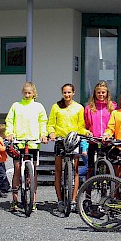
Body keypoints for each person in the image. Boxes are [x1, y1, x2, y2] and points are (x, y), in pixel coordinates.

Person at [47, 83, 90, 213]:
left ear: (73, 93)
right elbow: (50, 124)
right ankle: (60, 200)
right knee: (58, 171)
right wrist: (51, 133)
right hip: (60, 140)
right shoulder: (56, 107)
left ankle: (73, 200)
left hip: (74, 140)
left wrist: (86, 132)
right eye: (65, 92)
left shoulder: (79, 108)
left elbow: (81, 125)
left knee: (75, 171)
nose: (67, 95)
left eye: (69, 92)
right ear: (62, 93)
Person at [5, 82, 48, 212]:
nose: (27, 95)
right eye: (25, 92)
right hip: (19, 142)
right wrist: (10, 133)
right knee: (17, 169)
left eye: (30, 93)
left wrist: (44, 135)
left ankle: (33, 200)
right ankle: (14, 199)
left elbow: (43, 122)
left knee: (33, 170)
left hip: (33, 142)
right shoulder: (16, 106)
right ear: (22, 92)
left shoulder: (38, 107)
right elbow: (9, 121)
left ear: (34, 93)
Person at [84, 81, 117, 178]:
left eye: (103, 92)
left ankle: (110, 189)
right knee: (90, 167)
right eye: (98, 92)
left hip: (108, 141)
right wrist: (88, 133)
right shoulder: (89, 108)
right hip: (93, 141)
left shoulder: (113, 106)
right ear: (95, 93)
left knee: (110, 167)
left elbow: (115, 124)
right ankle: (88, 191)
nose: (101, 94)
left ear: (107, 93)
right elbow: (86, 124)